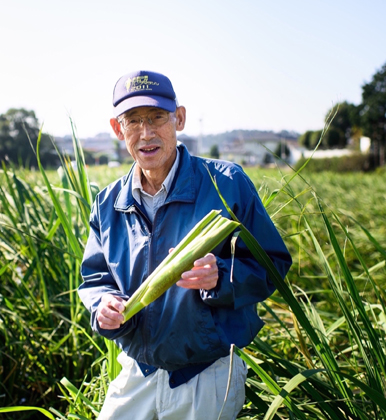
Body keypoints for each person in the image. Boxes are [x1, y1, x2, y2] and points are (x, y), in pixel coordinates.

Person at [78, 70, 292, 420]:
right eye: (133, 121)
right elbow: (95, 278)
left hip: (206, 374)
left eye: (157, 118)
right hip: (137, 369)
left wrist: (220, 277)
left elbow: (273, 264)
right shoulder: (108, 203)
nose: (146, 133)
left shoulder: (227, 184)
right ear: (118, 130)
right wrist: (102, 305)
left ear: (179, 118)